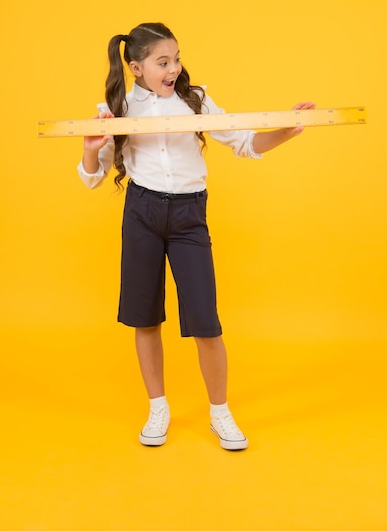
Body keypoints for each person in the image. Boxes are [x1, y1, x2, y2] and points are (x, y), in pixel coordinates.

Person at [77, 22, 315, 450]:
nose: (173, 69)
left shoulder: (196, 101)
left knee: (205, 320)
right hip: (142, 213)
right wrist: (91, 148)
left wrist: (286, 130)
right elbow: (92, 179)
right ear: (136, 67)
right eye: (162, 62)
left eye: (177, 59)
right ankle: (158, 408)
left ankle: (220, 413)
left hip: (189, 215)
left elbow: (245, 142)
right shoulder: (119, 107)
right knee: (144, 316)